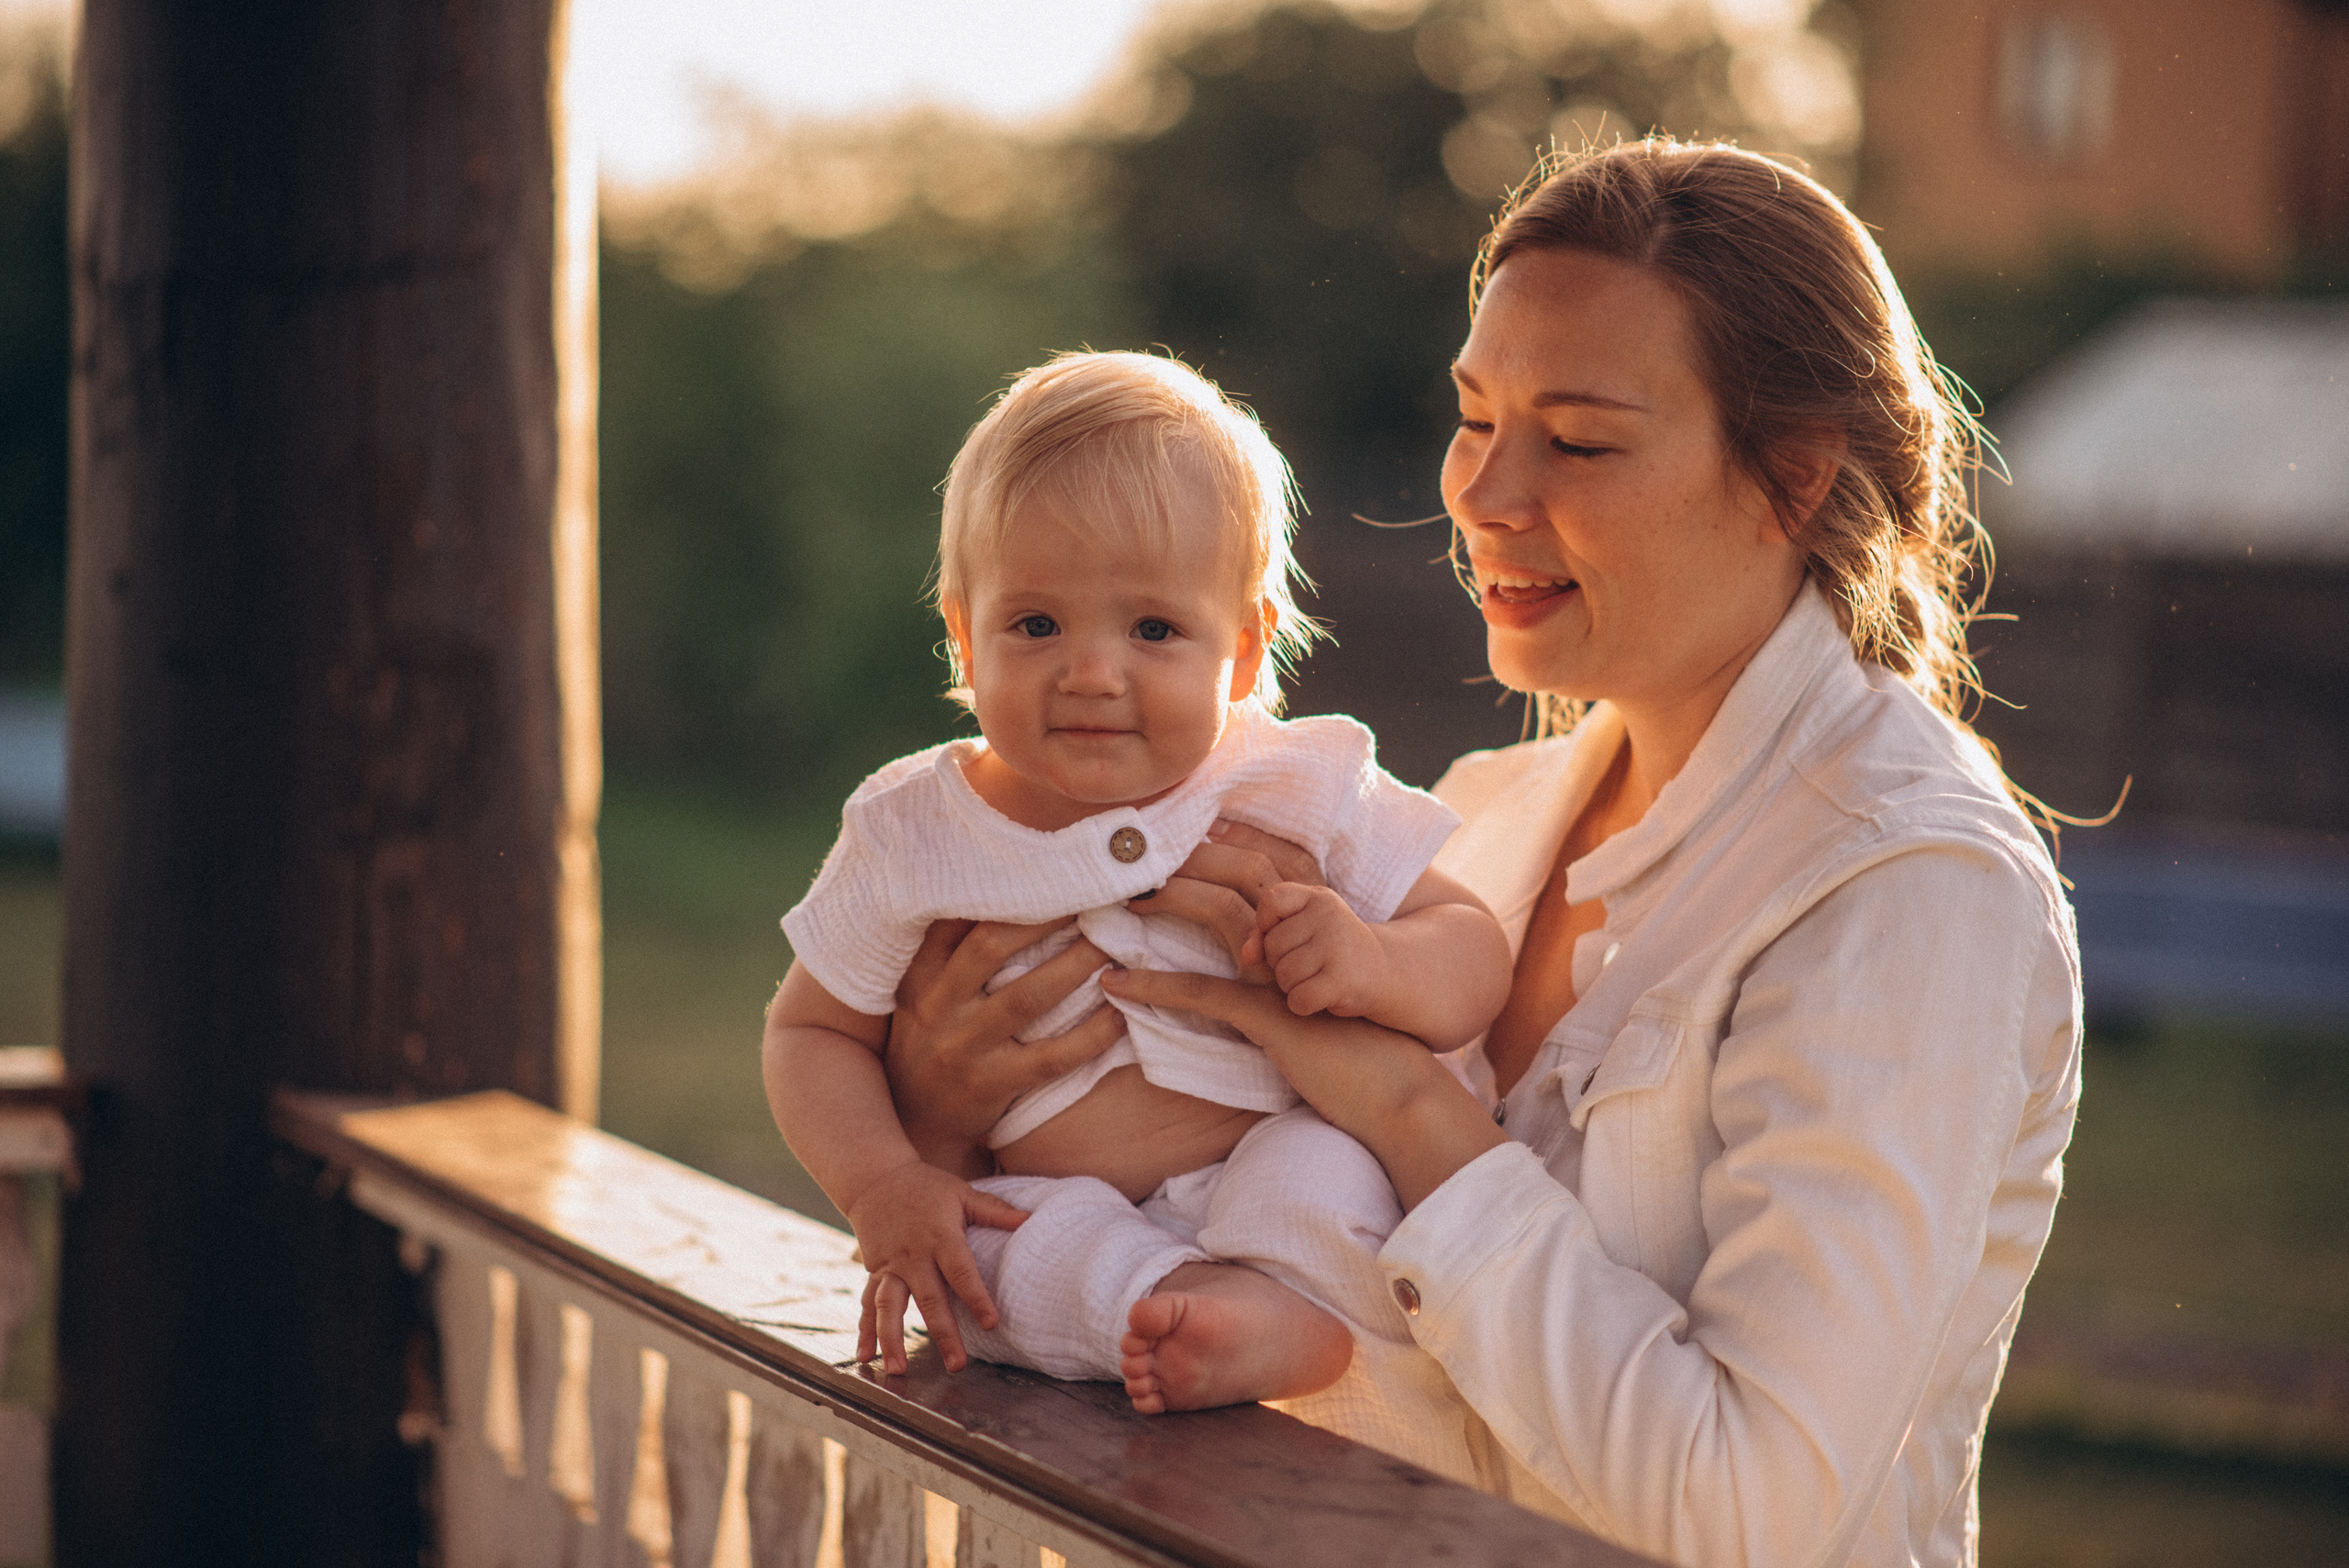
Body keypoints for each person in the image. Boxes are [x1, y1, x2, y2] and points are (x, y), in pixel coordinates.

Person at [879, 141, 2083, 1567]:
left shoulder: (1906, 888)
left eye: (1576, 440)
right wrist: (941, 1112)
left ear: (1793, 482)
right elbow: (1192, 1239)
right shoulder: (1487, 814)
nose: (1485, 493)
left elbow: (1745, 1507)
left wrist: (1408, 1109)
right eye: (1474, 418)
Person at [763, 351, 1515, 1421]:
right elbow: (808, 1034)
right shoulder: (913, 830)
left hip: (1270, 1151)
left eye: (1153, 629)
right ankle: (1174, 1309)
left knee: (1326, 1174)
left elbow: (1471, 944)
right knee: (973, 1261)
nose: (1091, 672)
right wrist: (883, 1180)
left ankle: (1273, 1310)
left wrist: (1373, 955)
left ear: (1246, 650)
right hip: (1053, 1200)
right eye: (1036, 625)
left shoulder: (1292, 786)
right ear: (963, 638)